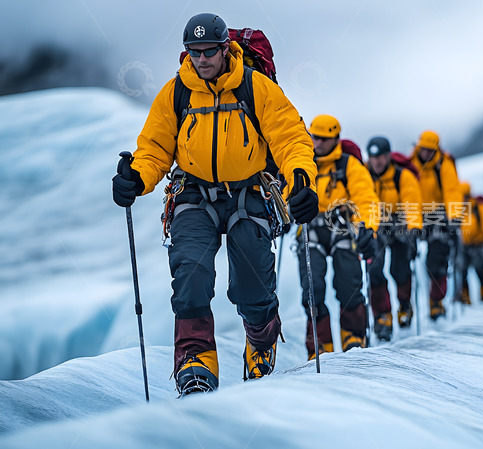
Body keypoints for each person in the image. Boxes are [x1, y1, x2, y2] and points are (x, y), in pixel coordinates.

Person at [111, 13, 319, 395]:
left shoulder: (255, 88)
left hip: (250, 193)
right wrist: (137, 178)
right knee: (190, 275)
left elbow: (290, 139)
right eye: (194, 52)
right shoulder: (176, 93)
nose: (202, 59)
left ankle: (260, 341)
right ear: (186, 53)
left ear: (227, 49)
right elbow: (155, 148)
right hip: (193, 193)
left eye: (209, 51)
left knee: (253, 283)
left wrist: (301, 179)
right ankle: (195, 362)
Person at [299, 114, 379, 359]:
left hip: (342, 227)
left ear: (335, 138)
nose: (318, 143)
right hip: (311, 228)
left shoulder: (349, 165)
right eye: (315, 137)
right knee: (312, 289)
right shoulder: (303, 163)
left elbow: (366, 198)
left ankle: (354, 336)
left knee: (349, 284)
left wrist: (368, 227)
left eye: (323, 139)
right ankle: (320, 345)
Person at [365, 136, 423, 340]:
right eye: (373, 157)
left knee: (399, 269)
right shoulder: (363, 176)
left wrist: (414, 228)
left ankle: (405, 305)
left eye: (380, 156)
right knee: (374, 269)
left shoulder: (403, 177)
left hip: (400, 226)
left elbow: (412, 204)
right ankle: (382, 316)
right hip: (375, 227)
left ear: (389, 156)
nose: (377, 161)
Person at [410, 130, 461, 321]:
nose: (426, 154)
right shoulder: (411, 164)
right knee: (408, 253)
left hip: (438, 214)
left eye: (430, 150)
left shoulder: (444, 165)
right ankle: (407, 305)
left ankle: (436, 301)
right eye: (424, 149)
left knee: (437, 258)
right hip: (416, 213)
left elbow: (452, 191)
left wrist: (454, 216)